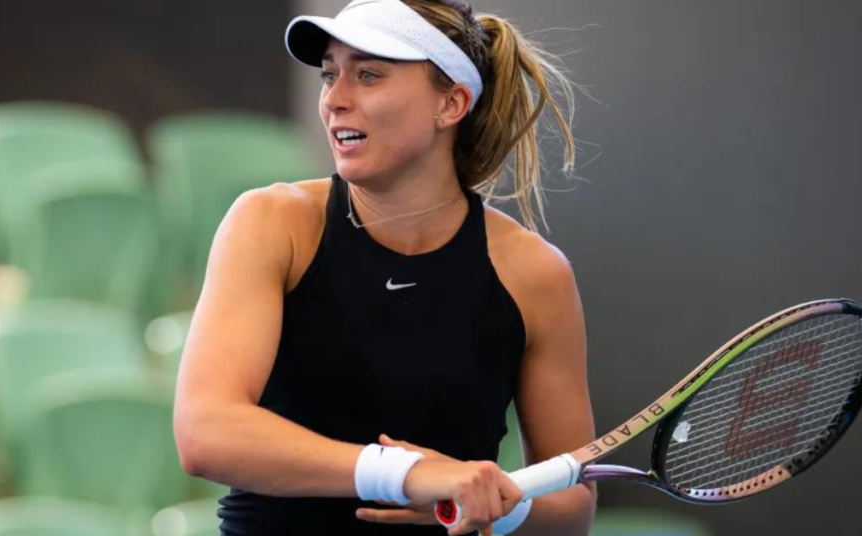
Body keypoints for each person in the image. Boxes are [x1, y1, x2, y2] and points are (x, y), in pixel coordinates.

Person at [173, 1, 596, 534]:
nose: (334, 100)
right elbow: (206, 433)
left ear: (451, 104)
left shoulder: (536, 274)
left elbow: (575, 509)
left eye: (368, 75)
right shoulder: (270, 222)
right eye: (331, 74)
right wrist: (405, 474)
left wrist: (498, 506)